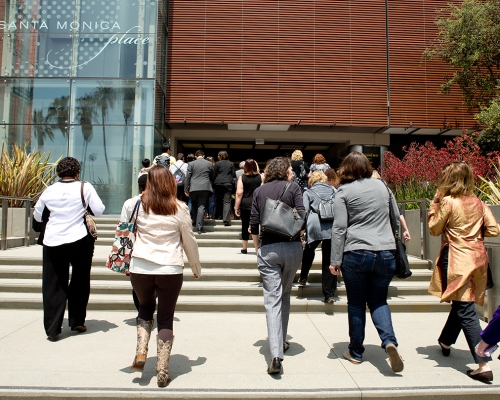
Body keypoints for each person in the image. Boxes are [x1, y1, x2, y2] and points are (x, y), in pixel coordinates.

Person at [125, 166, 201, 387]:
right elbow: (189, 240)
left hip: (140, 267)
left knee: (144, 308)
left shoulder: (134, 204)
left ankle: (141, 351)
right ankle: (162, 371)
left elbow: (123, 231)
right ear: (170, 183)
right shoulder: (179, 208)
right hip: (170, 268)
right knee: (166, 317)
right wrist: (195, 267)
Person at [329, 151, 403, 373]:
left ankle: (356, 351)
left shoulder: (343, 191)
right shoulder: (383, 187)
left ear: (347, 169)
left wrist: (335, 259)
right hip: (386, 251)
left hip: (356, 251)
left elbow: (340, 228)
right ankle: (389, 341)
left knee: (356, 303)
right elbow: (395, 218)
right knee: (379, 300)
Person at [428, 161, 499, 383]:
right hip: (477, 258)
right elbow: (495, 229)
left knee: (465, 308)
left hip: (457, 259)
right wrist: (475, 233)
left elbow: (434, 228)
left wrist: (434, 205)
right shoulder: (478, 202)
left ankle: (482, 361)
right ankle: (446, 341)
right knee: (462, 303)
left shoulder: (448, 202)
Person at [33, 157, 105, 341]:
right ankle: (76, 321)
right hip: (79, 239)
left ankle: (53, 328)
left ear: (59, 172)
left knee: (53, 284)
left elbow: (38, 216)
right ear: (77, 172)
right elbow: (98, 210)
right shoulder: (85, 187)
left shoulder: (49, 190)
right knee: (80, 280)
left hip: (53, 240)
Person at [250, 157, 305, 375]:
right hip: (292, 248)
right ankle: (281, 342)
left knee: (272, 300)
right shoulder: (294, 188)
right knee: (285, 295)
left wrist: (257, 249)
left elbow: (254, 225)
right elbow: (302, 215)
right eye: (290, 169)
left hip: (268, 248)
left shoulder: (259, 191)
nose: (292, 172)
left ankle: (275, 355)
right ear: (284, 171)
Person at [298, 171, 337, 303]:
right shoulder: (333, 190)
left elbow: (304, 210)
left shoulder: (308, 192)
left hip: (315, 224)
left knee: (309, 250)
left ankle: (303, 277)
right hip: (331, 225)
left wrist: (301, 231)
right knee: (329, 259)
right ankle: (329, 293)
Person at [120, 174, 148, 311]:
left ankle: (142, 310)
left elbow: (123, 227)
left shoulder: (129, 203)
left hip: (134, 246)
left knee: (137, 283)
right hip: (152, 246)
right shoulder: (161, 202)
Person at [371, 170, 411, 242]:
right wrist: (405, 229)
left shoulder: (366, 193)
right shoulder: (386, 190)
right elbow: (397, 213)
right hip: (387, 234)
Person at [234, 159, 261, 254]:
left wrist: (236, 207)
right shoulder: (260, 177)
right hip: (258, 204)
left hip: (245, 204)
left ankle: (244, 248)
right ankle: (257, 248)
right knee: (255, 225)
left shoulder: (242, 177)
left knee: (244, 225)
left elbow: (239, 193)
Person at [184, 150, 214, 234]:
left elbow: (188, 176)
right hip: (205, 187)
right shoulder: (208, 164)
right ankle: (200, 227)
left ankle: (194, 221)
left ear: (196, 156)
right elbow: (212, 176)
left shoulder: (191, 164)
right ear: (203, 156)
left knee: (193, 204)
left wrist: (186, 188)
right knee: (201, 206)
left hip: (193, 187)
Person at [213, 150, 236, 226]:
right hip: (228, 183)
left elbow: (214, 174)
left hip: (218, 183)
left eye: (218, 155)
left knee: (218, 200)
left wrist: (213, 185)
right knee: (227, 201)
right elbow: (233, 175)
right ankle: (226, 219)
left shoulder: (217, 163)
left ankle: (218, 216)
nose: (217, 156)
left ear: (220, 156)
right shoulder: (231, 164)